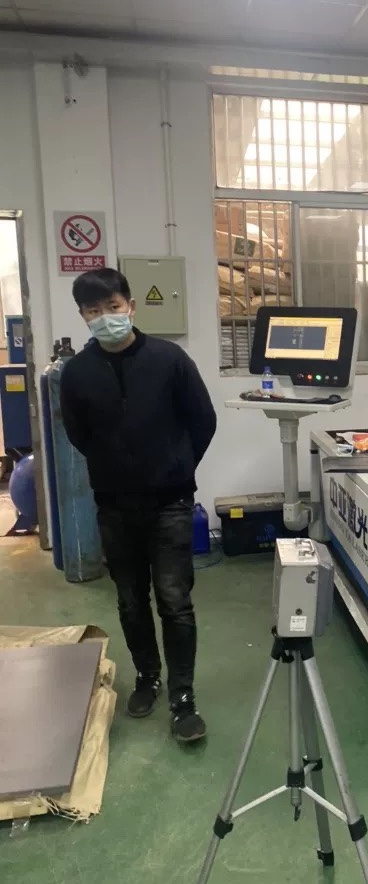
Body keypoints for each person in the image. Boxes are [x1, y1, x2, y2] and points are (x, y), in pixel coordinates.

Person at [60, 268, 217, 743]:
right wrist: (115, 468)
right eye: (94, 311)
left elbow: (203, 420)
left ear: (131, 306)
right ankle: (148, 678)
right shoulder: (77, 373)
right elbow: (78, 434)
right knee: (130, 600)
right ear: (83, 317)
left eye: (112, 307)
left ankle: (183, 697)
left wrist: (176, 466)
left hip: (170, 503)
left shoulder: (170, 359)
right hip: (114, 506)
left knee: (175, 601)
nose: (105, 318)